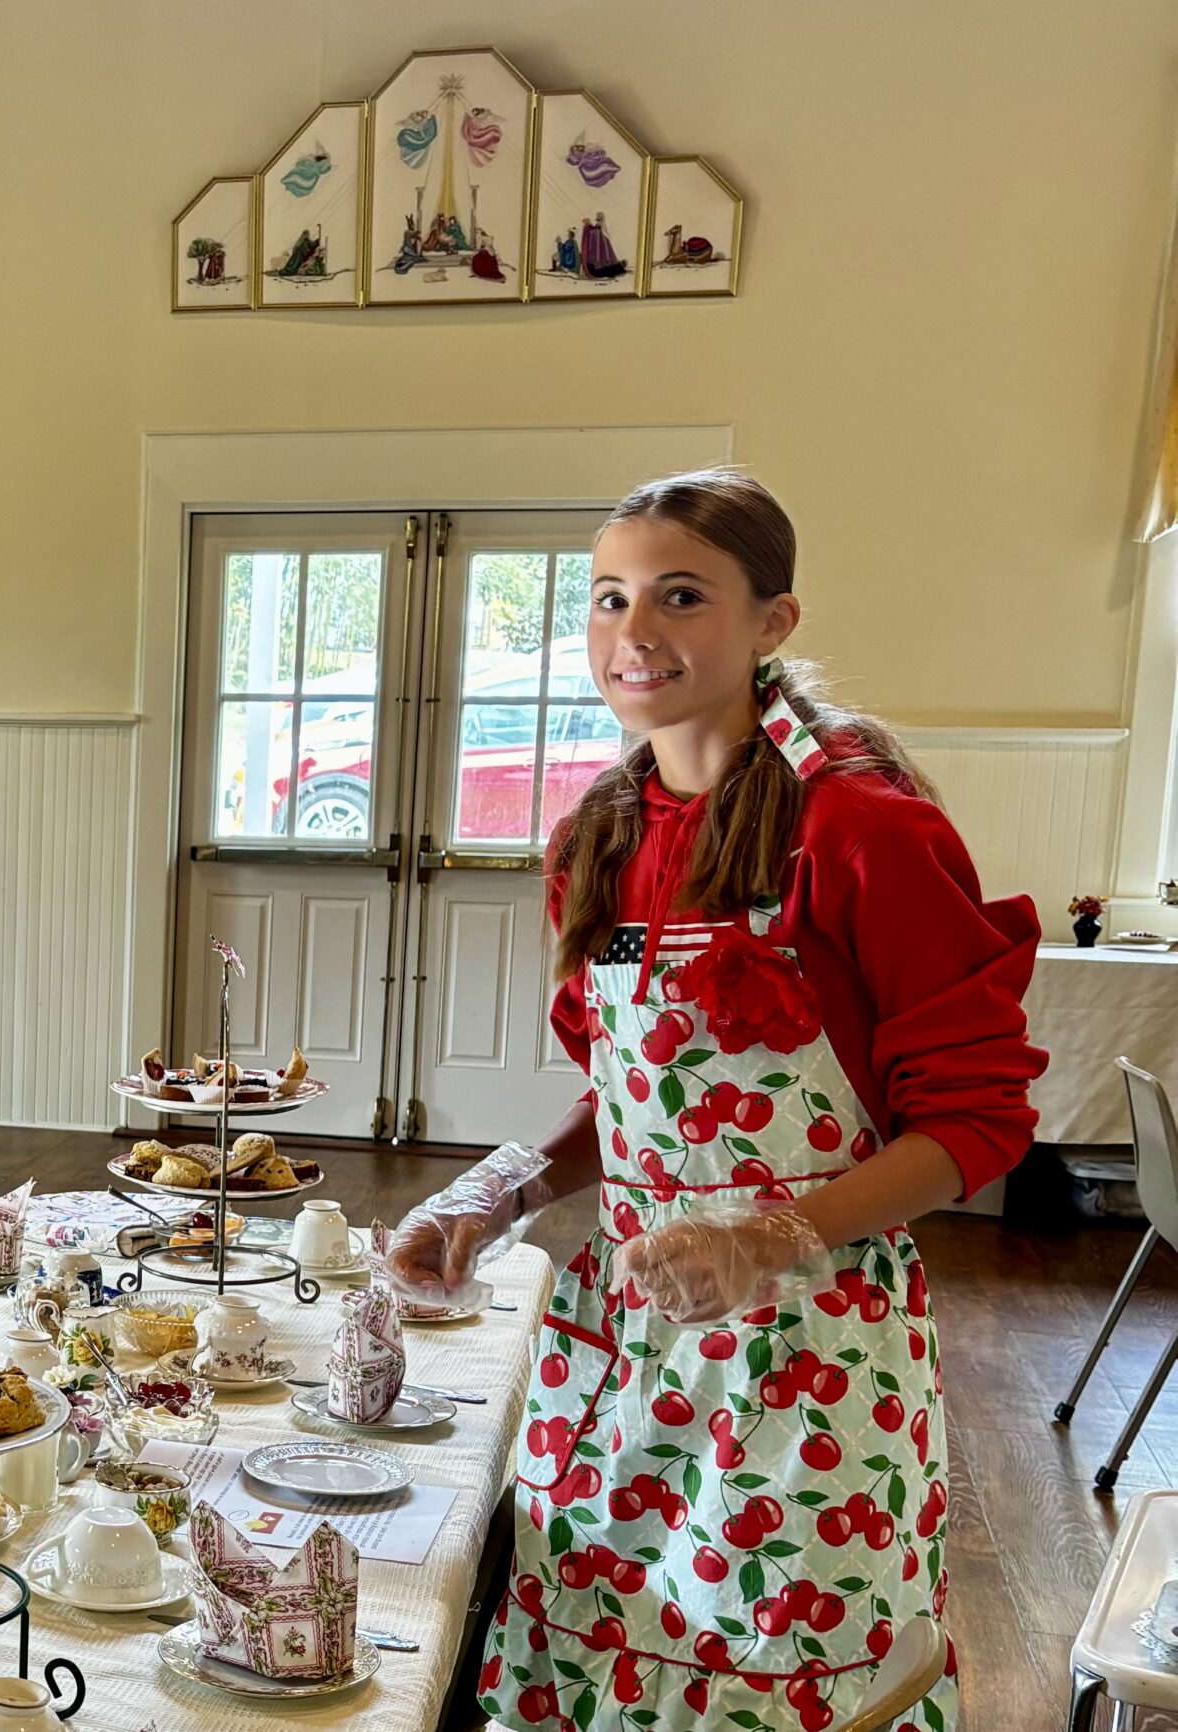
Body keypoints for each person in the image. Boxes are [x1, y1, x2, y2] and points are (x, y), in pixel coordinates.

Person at [386, 470, 1041, 1732]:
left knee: (779, 1664)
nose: (635, 635)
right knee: (607, 1640)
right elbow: (626, 1097)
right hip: (635, 1333)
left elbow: (976, 1121)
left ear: (772, 623)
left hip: (813, 1348)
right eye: (608, 600)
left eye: (680, 597)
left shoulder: (860, 828)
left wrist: (766, 1239)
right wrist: (496, 1195)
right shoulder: (596, 835)